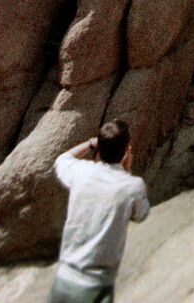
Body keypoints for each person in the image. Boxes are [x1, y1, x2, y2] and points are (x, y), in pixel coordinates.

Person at [48, 119, 150, 303]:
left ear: (100, 148)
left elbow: (61, 159)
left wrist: (89, 144)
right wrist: (127, 170)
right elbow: (141, 215)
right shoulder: (132, 186)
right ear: (127, 150)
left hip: (63, 282)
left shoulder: (80, 172)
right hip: (95, 289)